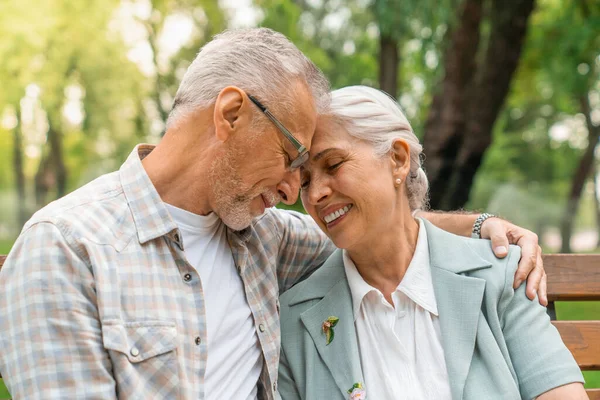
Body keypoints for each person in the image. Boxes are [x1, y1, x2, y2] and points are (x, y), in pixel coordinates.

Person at [0, 29, 545, 400]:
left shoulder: (264, 236)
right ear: (232, 114)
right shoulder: (65, 249)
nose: (293, 192)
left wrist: (481, 226)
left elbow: (382, 225)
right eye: (291, 160)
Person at [278, 86, 586, 400]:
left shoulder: (501, 275)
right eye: (304, 181)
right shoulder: (294, 323)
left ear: (397, 159)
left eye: (333, 165)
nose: (315, 195)